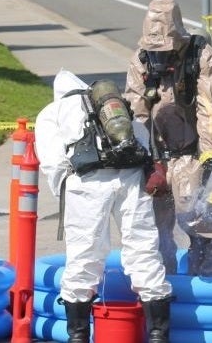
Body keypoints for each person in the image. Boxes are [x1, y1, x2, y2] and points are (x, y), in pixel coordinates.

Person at [36, 70, 174, 343]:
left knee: (84, 256)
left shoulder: (52, 112)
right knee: (143, 250)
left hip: (87, 182)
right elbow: (140, 138)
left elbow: (52, 161)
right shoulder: (111, 106)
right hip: (130, 176)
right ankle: (158, 334)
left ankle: (78, 336)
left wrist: (66, 187)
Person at [122, 0, 212, 277]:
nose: (159, 57)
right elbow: (136, 111)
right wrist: (144, 159)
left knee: (198, 218)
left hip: (192, 152)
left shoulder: (200, 56)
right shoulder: (141, 59)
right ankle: (161, 291)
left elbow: (210, 110)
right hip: (158, 154)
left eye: (164, 51)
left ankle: (207, 282)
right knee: (153, 230)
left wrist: (208, 156)